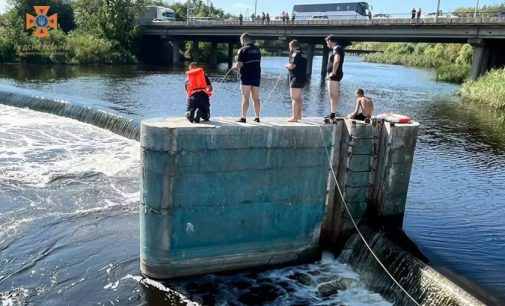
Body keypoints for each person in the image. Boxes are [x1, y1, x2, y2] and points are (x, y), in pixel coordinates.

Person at [233, 33, 262, 123]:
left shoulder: (242, 50)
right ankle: (257, 117)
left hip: (246, 76)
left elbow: (239, 65)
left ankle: (243, 117)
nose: (241, 43)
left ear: (244, 40)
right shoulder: (258, 50)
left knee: (245, 97)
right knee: (256, 98)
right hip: (256, 75)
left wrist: (235, 66)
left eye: (241, 41)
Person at [324, 35, 345, 123]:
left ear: (330, 41)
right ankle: (332, 113)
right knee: (332, 95)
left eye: (327, 42)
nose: (327, 44)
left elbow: (337, 60)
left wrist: (333, 72)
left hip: (334, 76)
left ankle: (333, 114)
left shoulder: (337, 48)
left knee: (333, 94)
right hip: (334, 75)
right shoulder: (336, 49)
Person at [285, 40, 307, 122]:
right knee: (299, 98)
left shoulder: (295, 54)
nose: (289, 49)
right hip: (303, 78)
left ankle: (294, 117)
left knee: (294, 98)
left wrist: (286, 65)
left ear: (292, 46)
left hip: (296, 78)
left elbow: (292, 66)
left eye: (290, 47)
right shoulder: (304, 54)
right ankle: (299, 116)